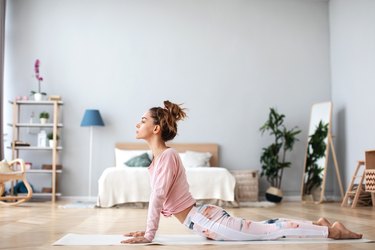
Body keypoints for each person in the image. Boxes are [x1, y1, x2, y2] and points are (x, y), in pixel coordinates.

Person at [121, 100, 362, 244]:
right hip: (203, 219)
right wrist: (147, 230)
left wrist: (149, 234)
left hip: (204, 219)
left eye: (142, 120)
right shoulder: (160, 159)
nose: (137, 123)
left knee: (267, 233)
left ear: (155, 128)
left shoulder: (168, 156)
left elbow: (158, 197)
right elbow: (161, 197)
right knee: (266, 226)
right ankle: (317, 223)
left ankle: (330, 231)